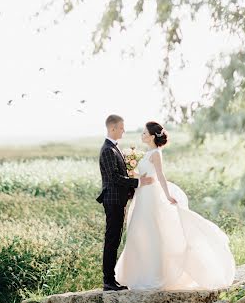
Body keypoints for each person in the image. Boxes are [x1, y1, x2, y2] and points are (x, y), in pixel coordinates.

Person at [115, 121, 236, 290]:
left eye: (144, 133)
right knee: (138, 231)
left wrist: (167, 195)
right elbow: (143, 174)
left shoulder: (156, 153)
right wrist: (130, 172)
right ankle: (138, 273)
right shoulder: (147, 153)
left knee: (152, 233)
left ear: (151, 136)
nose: (142, 135)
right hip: (142, 195)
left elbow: (160, 176)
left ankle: (155, 275)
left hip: (151, 196)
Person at [96, 114, 154, 292]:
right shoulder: (107, 149)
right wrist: (137, 183)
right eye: (121, 127)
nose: (123, 130)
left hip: (118, 200)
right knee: (112, 240)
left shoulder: (115, 148)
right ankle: (108, 281)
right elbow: (113, 178)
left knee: (115, 238)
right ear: (112, 128)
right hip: (112, 200)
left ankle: (111, 280)